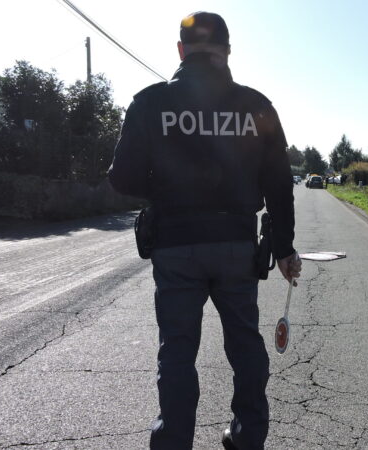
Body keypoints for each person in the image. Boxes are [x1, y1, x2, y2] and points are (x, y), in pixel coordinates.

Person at [108, 11, 301, 450]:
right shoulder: (257, 106)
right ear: (227, 52)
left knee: (176, 351)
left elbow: (122, 178)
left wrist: (166, 185)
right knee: (246, 347)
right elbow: (279, 185)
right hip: (236, 245)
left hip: (175, 247)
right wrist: (286, 248)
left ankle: (173, 442)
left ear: (180, 50)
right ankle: (247, 437)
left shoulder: (150, 103)